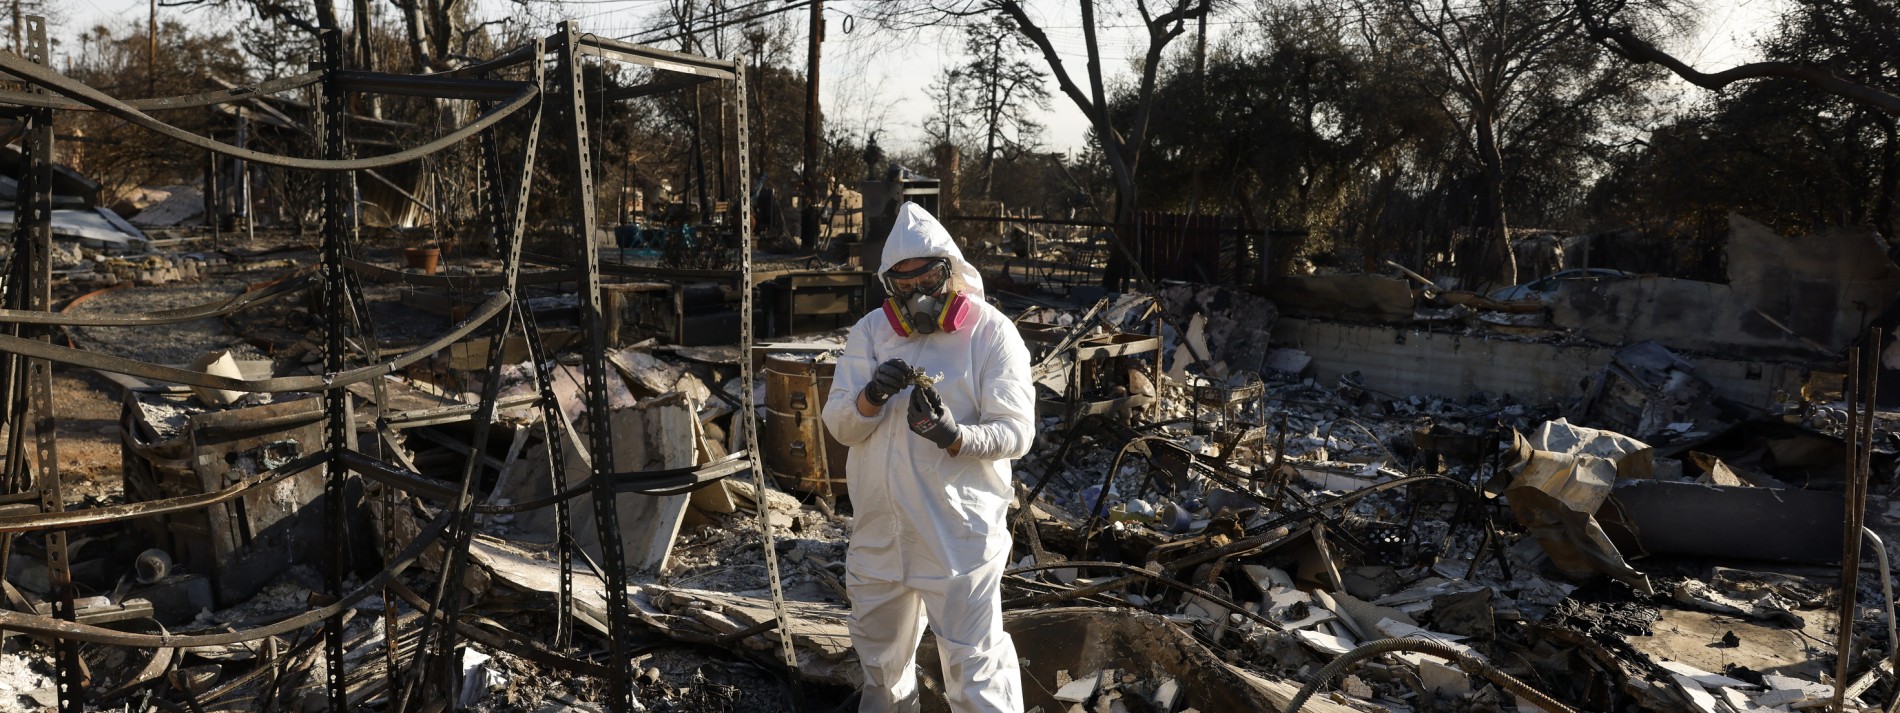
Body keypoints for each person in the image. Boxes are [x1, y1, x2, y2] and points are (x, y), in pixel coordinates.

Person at [822, 202, 1034, 713]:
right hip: (880, 533)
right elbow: (839, 424)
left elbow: (1017, 431)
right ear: (889, 286)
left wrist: (955, 436)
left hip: (957, 537)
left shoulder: (991, 333)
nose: (920, 295)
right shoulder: (872, 332)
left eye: (930, 279)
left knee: (975, 668)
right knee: (880, 667)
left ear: (952, 271)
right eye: (905, 285)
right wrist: (871, 396)